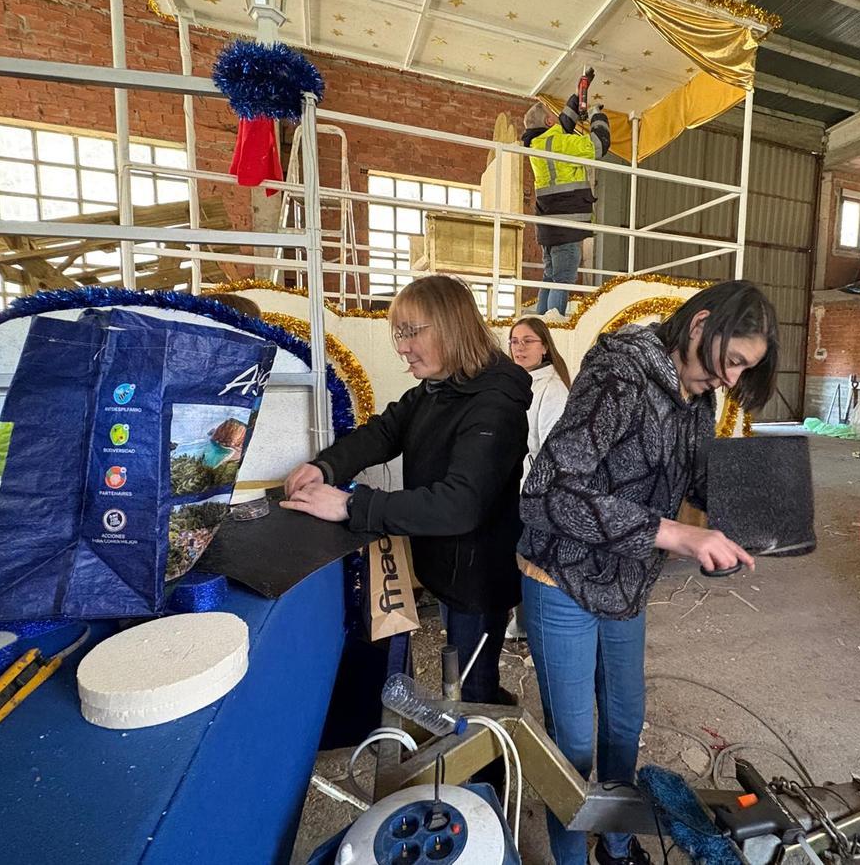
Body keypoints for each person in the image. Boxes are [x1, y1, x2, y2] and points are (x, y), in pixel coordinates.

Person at [517, 281, 779, 865]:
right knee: (575, 744)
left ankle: (613, 841)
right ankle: (570, 857)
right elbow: (547, 493)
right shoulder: (619, 374)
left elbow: (688, 479)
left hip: (627, 579)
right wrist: (676, 533)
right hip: (561, 575)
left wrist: (752, 508)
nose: (733, 380)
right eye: (732, 360)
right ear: (699, 325)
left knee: (624, 724)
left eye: (745, 369)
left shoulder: (698, 396)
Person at [282, 274, 532, 705]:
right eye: (398, 332)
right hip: (446, 565)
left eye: (411, 332)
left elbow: (460, 505)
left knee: (471, 686)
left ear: (452, 327)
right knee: (459, 672)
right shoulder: (437, 389)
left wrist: (352, 505)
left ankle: (487, 764)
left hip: (477, 577)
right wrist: (325, 465)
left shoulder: (494, 402)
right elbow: (384, 432)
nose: (401, 346)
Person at [505, 316, 571, 640]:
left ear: (544, 346)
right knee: (519, 558)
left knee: (534, 562)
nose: (519, 347)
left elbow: (551, 453)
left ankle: (535, 629)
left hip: (536, 492)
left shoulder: (552, 389)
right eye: (514, 341)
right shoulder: (518, 381)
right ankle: (520, 625)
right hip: (515, 486)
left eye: (527, 341)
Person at [522, 95, 610, 318]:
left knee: (550, 276)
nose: (559, 120)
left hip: (549, 225)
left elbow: (563, 124)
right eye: (554, 116)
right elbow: (599, 145)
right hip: (567, 225)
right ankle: (552, 325)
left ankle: (542, 322)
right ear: (549, 123)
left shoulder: (538, 143)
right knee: (563, 279)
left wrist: (576, 98)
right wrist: (595, 115)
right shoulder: (559, 144)